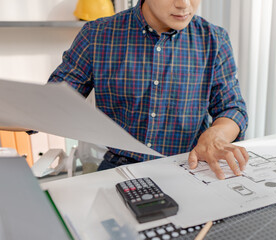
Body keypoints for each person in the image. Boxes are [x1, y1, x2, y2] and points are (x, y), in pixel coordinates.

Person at [48, 0, 249, 179]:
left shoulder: (214, 39)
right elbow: (52, 102)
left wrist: (217, 134)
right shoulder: (97, 35)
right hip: (119, 168)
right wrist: (19, 114)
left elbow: (232, 108)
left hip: (189, 166)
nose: (184, 4)